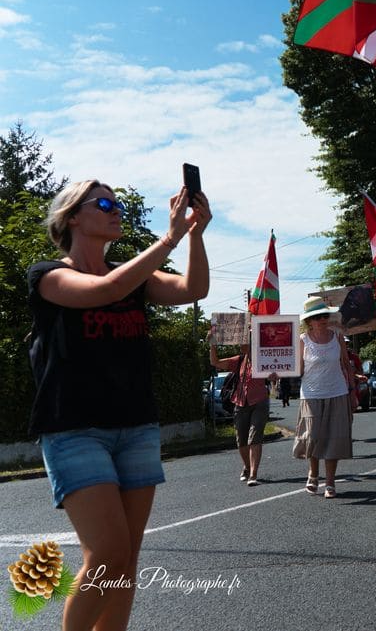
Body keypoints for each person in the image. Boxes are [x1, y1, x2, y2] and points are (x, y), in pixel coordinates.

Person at [27, 180, 210, 630]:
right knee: (107, 552)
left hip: (136, 425)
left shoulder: (135, 279)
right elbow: (104, 289)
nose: (116, 211)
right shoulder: (48, 274)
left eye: (119, 204)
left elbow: (193, 290)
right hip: (75, 429)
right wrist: (170, 237)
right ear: (72, 216)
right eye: (105, 204)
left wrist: (196, 234)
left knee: (125, 559)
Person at [292, 296, 354, 499]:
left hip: (337, 392)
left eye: (325, 315)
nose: (322, 319)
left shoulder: (337, 336)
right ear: (309, 321)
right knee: (313, 436)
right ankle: (313, 473)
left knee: (334, 438)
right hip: (311, 394)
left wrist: (352, 391)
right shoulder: (302, 340)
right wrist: (277, 373)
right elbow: (297, 369)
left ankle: (330, 482)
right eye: (318, 317)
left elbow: (346, 363)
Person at [208, 333, 274, 486]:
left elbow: (276, 375)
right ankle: (247, 466)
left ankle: (253, 474)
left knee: (255, 438)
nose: (239, 345)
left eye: (243, 342)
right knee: (241, 440)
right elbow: (215, 362)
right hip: (240, 403)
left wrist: (274, 376)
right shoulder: (239, 360)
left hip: (260, 402)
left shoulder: (264, 359)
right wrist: (212, 343)